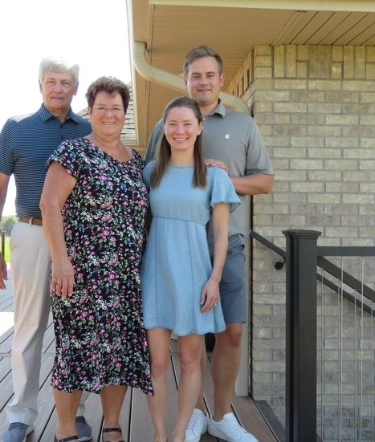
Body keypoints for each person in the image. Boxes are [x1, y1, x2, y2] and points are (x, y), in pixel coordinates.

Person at [145, 46, 274, 442]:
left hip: (221, 244)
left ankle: (221, 414)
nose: (202, 81)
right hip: (164, 255)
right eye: (194, 75)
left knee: (229, 332)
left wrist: (214, 177)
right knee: (179, 347)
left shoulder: (242, 124)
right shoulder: (161, 135)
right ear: (185, 80)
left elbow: (265, 182)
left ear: (220, 79)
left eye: (209, 75)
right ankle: (194, 414)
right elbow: (148, 186)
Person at [0, 57, 93, 442]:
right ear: (40, 85)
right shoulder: (16, 129)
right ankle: (21, 415)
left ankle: (76, 412)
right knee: (29, 327)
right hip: (30, 234)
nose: (58, 88)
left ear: (75, 88)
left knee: (75, 329)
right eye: (52, 81)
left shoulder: (90, 130)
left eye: (66, 82)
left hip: (78, 240)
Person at [39, 76, 153, 442]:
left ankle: (113, 426)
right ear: (89, 111)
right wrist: (60, 261)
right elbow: (49, 204)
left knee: (117, 351)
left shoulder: (137, 161)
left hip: (124, 277)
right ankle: (66, 429)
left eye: (115, 108)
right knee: (75, 351)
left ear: (125, 113)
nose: (108, 114)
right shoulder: (73, 152)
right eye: (101, 107)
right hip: (79, 274)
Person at [142, 96, 241, 442]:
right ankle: (159, 434)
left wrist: (214, 279)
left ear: (200, 129)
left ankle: (180, 433)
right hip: (155, 274)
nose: (179, 130)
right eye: (173, 124)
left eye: (187, 124)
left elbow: (222, 234)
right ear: (164, 129)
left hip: (195, 275)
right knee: (155, 363)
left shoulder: (214, 176)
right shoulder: (151, 172)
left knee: (188, 360)